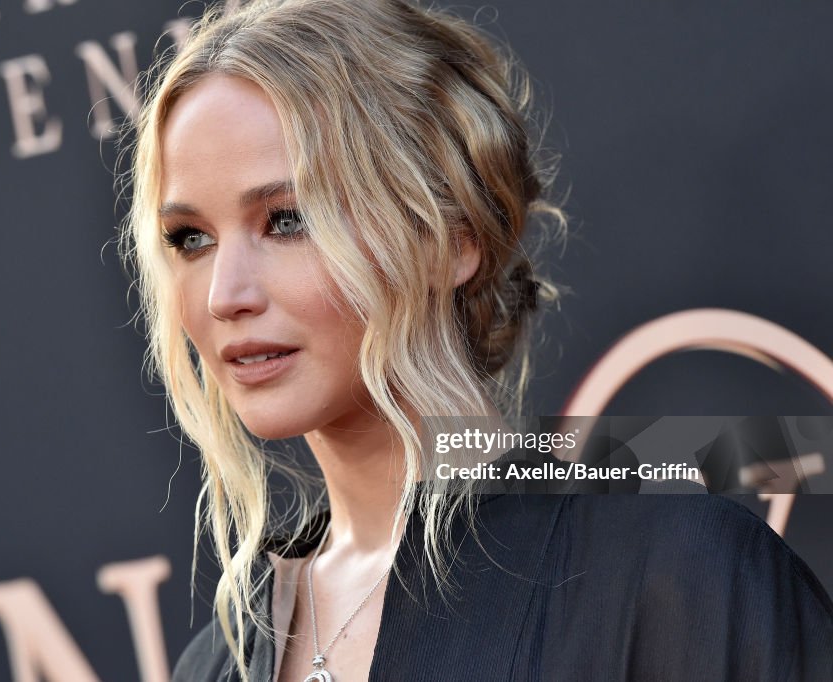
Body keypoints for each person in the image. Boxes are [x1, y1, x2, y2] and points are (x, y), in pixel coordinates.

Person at [119, 0, 833, 679]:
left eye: (286, 220)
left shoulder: (677, 576)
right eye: (191, 240)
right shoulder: (219, 663)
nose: (224, 295)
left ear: (449, 239)